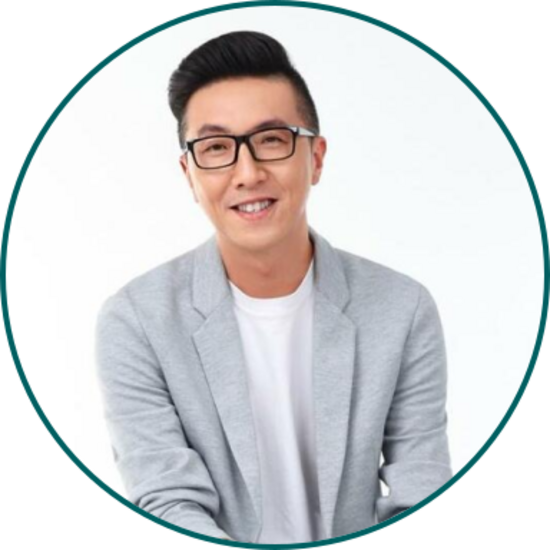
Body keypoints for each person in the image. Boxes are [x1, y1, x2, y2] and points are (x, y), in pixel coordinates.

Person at [95, 30, 452, 543]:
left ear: (316, 158)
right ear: (189, 174)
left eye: (271, 140)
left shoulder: (402, 308)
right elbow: (167, 501)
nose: (247, 173)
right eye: (216, 148)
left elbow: (420, 485)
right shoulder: (136, 321)